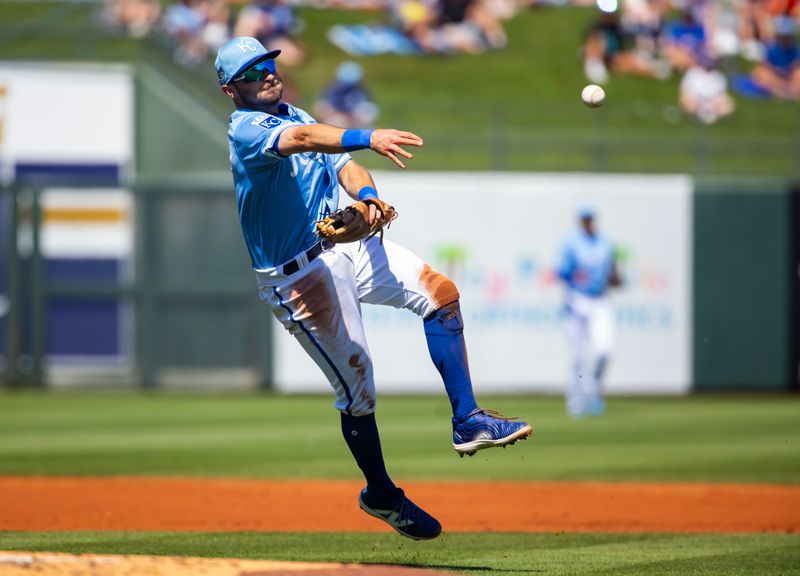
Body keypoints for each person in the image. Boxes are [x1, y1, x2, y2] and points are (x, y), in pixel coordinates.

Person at [213, 36, 532, 541]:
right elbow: (304, 142)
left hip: (341, 246)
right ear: (233, 91)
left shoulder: (292, 111)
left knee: (440, 292)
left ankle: (468, 419)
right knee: (359, 390)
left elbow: (339, 164)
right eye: (252, 72)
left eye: (267, 64)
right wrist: (367, 135)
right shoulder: (247, 129)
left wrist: (366, 197)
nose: (267, 74)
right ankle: (381, 493)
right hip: (297, 278)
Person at [556, 206, 623, 418]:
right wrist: (574, 277)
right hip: (577, 299)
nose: (588, 222)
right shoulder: (571, 242)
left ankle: (593, 388)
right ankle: (576, 401)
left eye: (590, 218)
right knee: (577, 355)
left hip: (600, 299)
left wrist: (615, 277)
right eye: (584, 219)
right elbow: (561, 271)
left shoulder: (605, 242)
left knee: (605, 349)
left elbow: (614, 272)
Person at [312, 61, 380, 129]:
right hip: (336, 119)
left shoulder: (363, 90)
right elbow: (320, 108)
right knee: (336, 121)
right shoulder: (330, 88)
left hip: (355, 122)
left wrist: (353, 117)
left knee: (368, 114)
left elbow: (370, 110)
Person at [679, 56, 736, 124]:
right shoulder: (693, 73)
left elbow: (721, 94)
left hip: (712, 101)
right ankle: (694, 115)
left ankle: (720, 116)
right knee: (689, 103)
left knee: (726, 107)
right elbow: (684, 91)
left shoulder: (719, 76)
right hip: (696, 99)